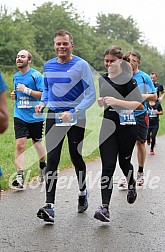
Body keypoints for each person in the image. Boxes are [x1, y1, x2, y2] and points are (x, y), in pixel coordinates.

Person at [36, 30, 96, 223]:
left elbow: (91, 95)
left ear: (72, 45)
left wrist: (74, 111)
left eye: (65, 44)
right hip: (53, 115)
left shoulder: (81, 65)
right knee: (52, 159)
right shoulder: (48, 65)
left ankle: (82, 191)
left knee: (75, 156)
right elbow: (46, 88)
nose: (61, 47)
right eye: (58, 44)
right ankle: (49, 206)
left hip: (75, 117)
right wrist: (43, 102)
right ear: (54, 45)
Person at [93, 47, 144, 222]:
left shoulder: (129, 80)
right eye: (106, 60)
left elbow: (139, 105)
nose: (108, 64)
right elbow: (104, 102)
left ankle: (131, 185)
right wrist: (102, 102)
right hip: (108, 127)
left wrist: (117, 101)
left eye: (111, 61)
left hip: (127, 128)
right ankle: (104, 207)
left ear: (120, 61)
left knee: (124, 163)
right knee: (107, 166)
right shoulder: (103, 79)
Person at [119, 51, 157, 187]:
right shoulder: (121, 76)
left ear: (138, 62)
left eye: (133, 60)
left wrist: (144, 96)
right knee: (125, 145)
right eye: (128, 59)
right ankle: (126, 175)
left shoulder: (144, 77)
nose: (130, 62)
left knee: (140, 143)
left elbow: (155, 97)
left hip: (140, 115)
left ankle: (140, 172)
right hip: (125, 115)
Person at [10, 49, 46, 189]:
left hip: (35, 116)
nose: (19, 58)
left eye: (22, 56)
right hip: (19, 114)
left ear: (29, 60)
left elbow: (43, 95)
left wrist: (26, 90)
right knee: (20, 144)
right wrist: (15, 95)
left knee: (37, 143)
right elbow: (18, 93)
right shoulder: (15, 77)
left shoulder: (36, 76)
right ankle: (19, 177)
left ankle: (43, 165)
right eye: (18, 56)